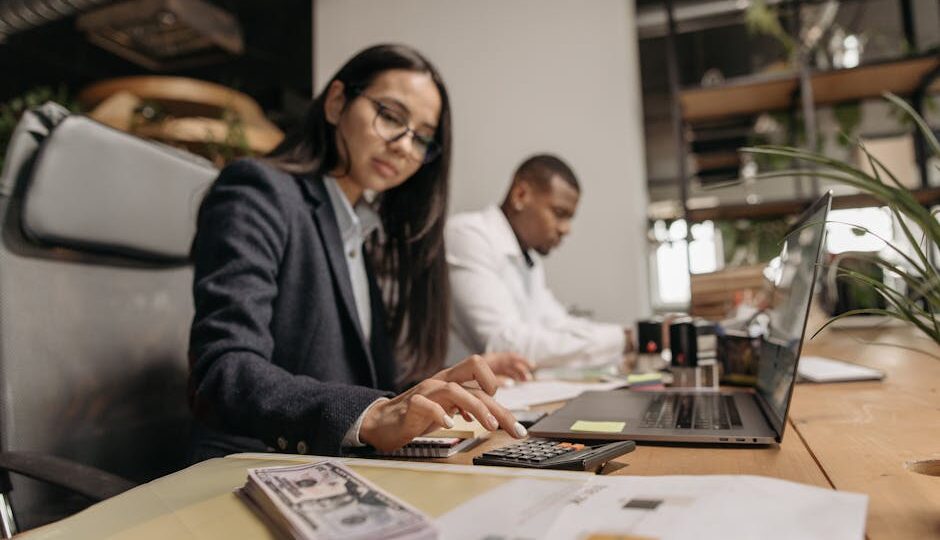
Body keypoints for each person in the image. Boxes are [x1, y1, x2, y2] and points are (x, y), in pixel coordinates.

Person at [187, 44, 531, 462]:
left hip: (332, 465)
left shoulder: (357, 227)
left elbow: (351, 379)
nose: (405, 146)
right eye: (391, 116)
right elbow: (225, 368)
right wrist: (371, 414)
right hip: (251, 466)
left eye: (422, 137)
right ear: (336, 103)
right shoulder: (257, 191)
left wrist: (439, 387)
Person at [446, 154, 632, 368]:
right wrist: (623, 339)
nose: (566, 229)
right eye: (559, 213)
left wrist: (626, 336)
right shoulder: (469, 235)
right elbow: (504, 345)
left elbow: (557, 324)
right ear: (520, 195)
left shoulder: (528, 260)